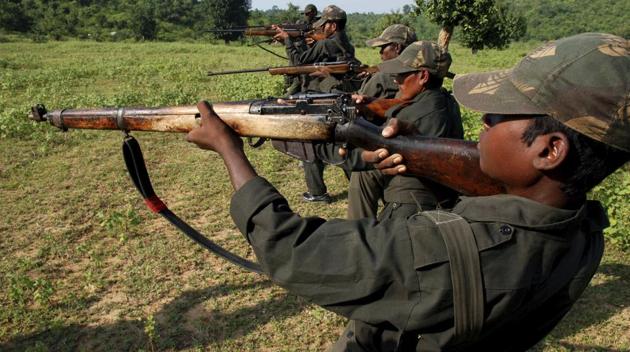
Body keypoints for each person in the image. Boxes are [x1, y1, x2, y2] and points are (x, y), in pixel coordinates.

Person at [186, 32, 629, 351]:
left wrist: (229, 150)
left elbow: (291, 248)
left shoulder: (436, 251)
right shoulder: (585, 232)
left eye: (499, 115)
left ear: (550, 150)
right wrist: (413, 147)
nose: (484, 123)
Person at [352, 40, 464, 220]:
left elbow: (373, 150)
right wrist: (371, 106)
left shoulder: (416, 113)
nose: (396, 80)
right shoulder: (444, 100)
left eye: (401, 74)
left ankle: (359, 233)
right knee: (365, 176)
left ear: (423, 76)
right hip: (435, 193)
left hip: (413, 202)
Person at [275, 4, 359, 203]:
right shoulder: (345, 43)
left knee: (309, 141)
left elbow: (298, 64)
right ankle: (355, 186)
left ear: (332, 25)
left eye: (325, 24)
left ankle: (317, 192)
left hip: (323, 96)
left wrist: (288, 40)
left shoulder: (326, 44)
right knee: (341, 142)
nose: (322, 28)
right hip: (338, 96)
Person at [347, 24, 418, 219]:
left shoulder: (383, 77)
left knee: (360, 172)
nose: (380, 52)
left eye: (383, 47)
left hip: (393, 148)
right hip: (404, 146)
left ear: (397, 48)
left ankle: (358, 231)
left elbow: (360, 104)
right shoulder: (417, 77)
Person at [284, 4, 320, 96]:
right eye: (305, 14)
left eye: (309, 14)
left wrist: (313, 40)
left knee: (302, 87)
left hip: (310, 64)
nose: (307, 16)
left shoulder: (320, 25)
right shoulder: (300, 24)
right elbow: (294, 43)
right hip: (298, 61)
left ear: (314, 13)